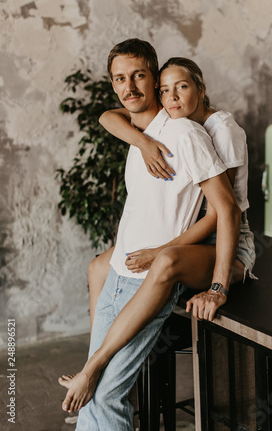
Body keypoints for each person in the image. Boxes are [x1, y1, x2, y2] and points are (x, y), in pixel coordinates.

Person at [59, 39, 244, 429]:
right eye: (120, 79)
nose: (130, 88)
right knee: (94, 394)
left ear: (154, 77)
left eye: (139, 76)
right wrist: (141, 141)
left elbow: (226, 208)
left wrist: (218, 285)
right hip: (117, 278)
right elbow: (109, 117)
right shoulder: (137, 130)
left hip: (148, 282)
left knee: (106, 395)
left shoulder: (185, 134)